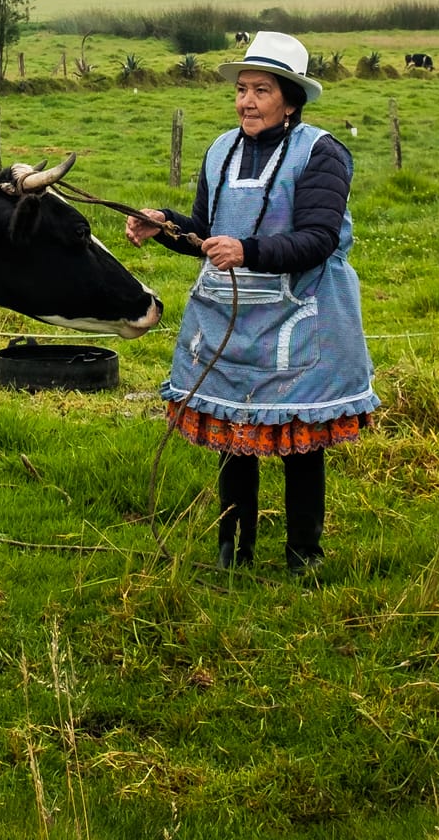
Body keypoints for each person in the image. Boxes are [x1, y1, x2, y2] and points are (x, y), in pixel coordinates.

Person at [126, 32, 380, 571]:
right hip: (227, 317)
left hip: (300, 316)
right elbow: (205, 230)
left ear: (290, 98)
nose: (245, 101)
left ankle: (302, 556)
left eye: (261, 90)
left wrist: (247, 250)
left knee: (299, 444)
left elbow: (318, 238)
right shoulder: (221, 148)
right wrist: (165, 226)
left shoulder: (322, 152)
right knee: (233, 438)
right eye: (241, 90)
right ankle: (231, 551)